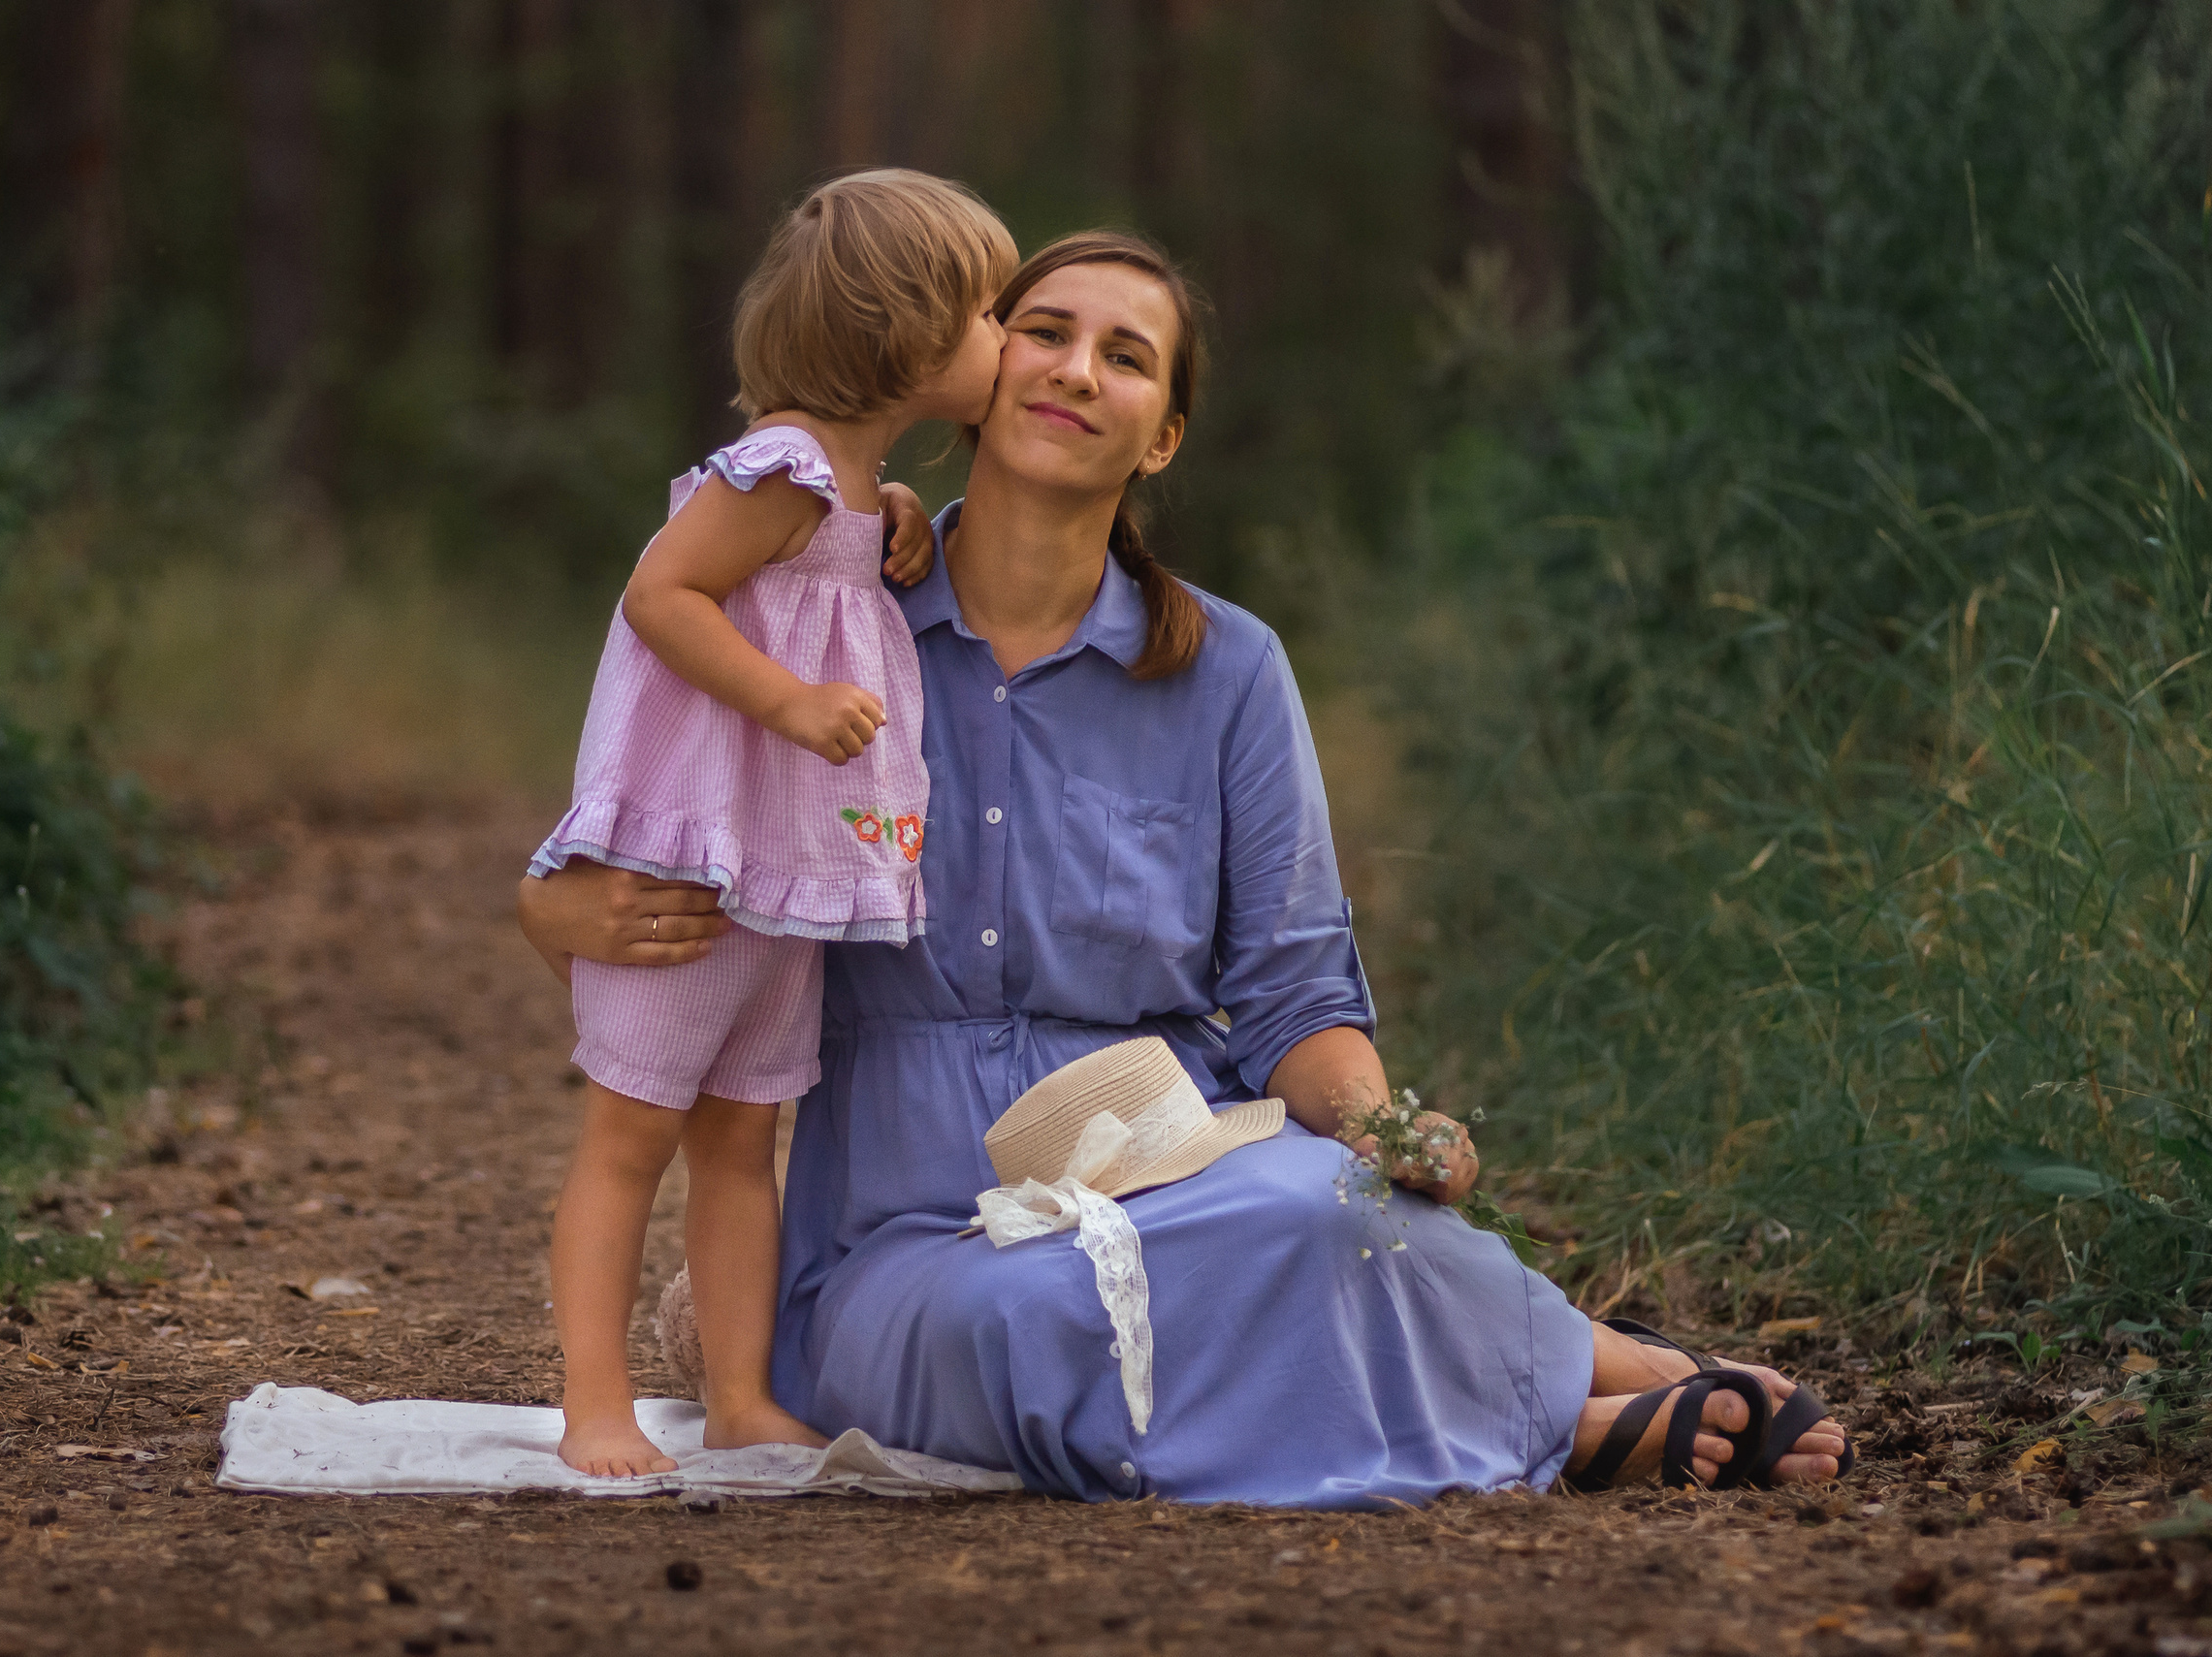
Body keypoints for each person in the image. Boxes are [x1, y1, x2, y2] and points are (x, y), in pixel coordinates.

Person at [521, 230, 1850, 1503]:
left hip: (1180, 1158)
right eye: (1042, 331)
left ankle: (1585, 1392)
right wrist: (551, 898)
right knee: (1036, 1318)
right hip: (920, 1231)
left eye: (1127, 354)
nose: (1075, 369)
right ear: (978, 375)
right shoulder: (826, 617)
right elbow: (664, 779)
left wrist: (1389, 1132)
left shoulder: (1230, 671)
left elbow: (1291, 994)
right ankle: (1560, 1420)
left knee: (1331, 1204)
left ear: (1159, 435)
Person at [527, 169, 1016, 1478]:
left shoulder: (851, 492)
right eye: (989, 313)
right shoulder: (785, 468)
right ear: (906, 335)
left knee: (743, 1140)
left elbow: (829, 559)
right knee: (630, 1134)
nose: (1008, 340)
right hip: (699, 860)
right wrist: (790, 703)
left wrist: (898, 516)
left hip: (788, 873)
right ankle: (593, 1399)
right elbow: (663, 593)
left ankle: (738, 1395)